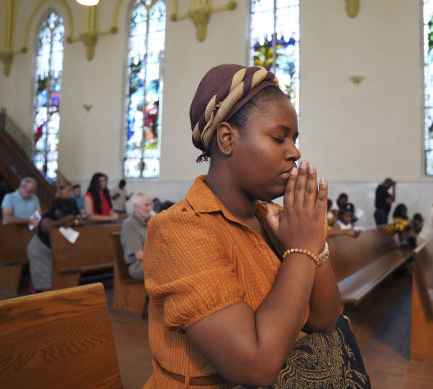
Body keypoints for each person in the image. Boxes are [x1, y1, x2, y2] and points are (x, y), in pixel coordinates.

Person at [143, 64, 369, 388]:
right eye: (279, 137)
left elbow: (325, 318)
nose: (294, 151)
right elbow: (256, 366)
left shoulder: (271, 219)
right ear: (226, 139)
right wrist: (302, 249)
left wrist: (311, 244)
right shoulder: (179, 230)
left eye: (294, 138)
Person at [27, 180, 80, 292]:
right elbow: (46, 225)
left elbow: (76, 217)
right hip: (40, 247)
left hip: (54, 247)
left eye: (71, 190)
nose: (70, 193)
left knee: (53, 281)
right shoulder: (56, 203)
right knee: (45, 283)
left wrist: (72, 221)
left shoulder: (71, 202)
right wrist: (65, 220)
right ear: (60, 191)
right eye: (68, 190)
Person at [120, 193, 153, 281]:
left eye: (150, 205)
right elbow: (139, 255)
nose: (150, 209)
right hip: (139, 266)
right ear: (135, 206)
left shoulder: (151, 222)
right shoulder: (129, 224)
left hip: (153, 263)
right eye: (146, 205)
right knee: (170, 268)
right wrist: (161, 259)